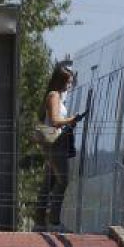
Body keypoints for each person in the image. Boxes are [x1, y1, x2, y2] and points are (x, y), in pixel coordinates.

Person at [33, 63, 84, 232]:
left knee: (48, 182)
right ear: (60, 81)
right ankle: (54, 222)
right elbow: (55, 120)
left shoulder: (55, 96)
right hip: (55, 144)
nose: (69, 85)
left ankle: (40, 222)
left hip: (53, 143)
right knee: (63, 181)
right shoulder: (54, 96)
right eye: (68, 82)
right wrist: (71, 120)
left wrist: (69, 122)